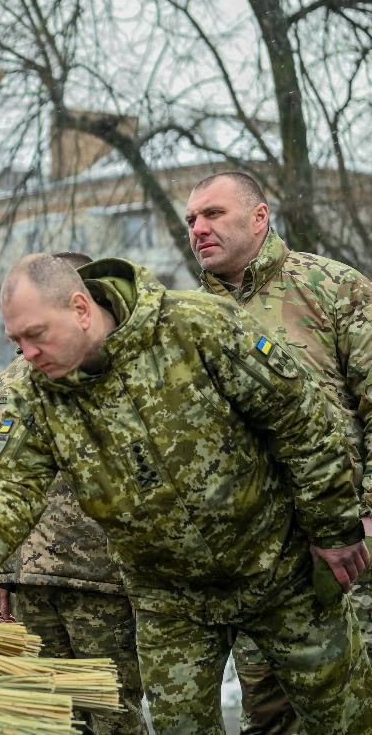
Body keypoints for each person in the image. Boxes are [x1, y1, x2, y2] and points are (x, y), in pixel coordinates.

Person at [0, 254, 372, 732]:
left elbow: (300, 421)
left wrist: (333, 528)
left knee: (345, 718)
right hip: (170, 597)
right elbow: (6, 491)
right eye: (16, 341)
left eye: (36, 334)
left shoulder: (197, 327)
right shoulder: (32, 394)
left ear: (81, 308)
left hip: (279, 568)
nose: (28, 353)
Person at [186, 170, 372, 734]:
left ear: (259, 217)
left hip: (348, 550)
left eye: (213, 214)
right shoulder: (187, 319)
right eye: (191, 219)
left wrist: (366, 513)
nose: (198, 228)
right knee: (271, 717)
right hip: (256, 566)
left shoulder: (332, 287)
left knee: (357, 708)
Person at [0, 254, 144, 735]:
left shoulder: (116, 375)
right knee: (49, 714)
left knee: (113, 710)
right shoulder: (10, 384)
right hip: (32, 579)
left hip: (101, 579)